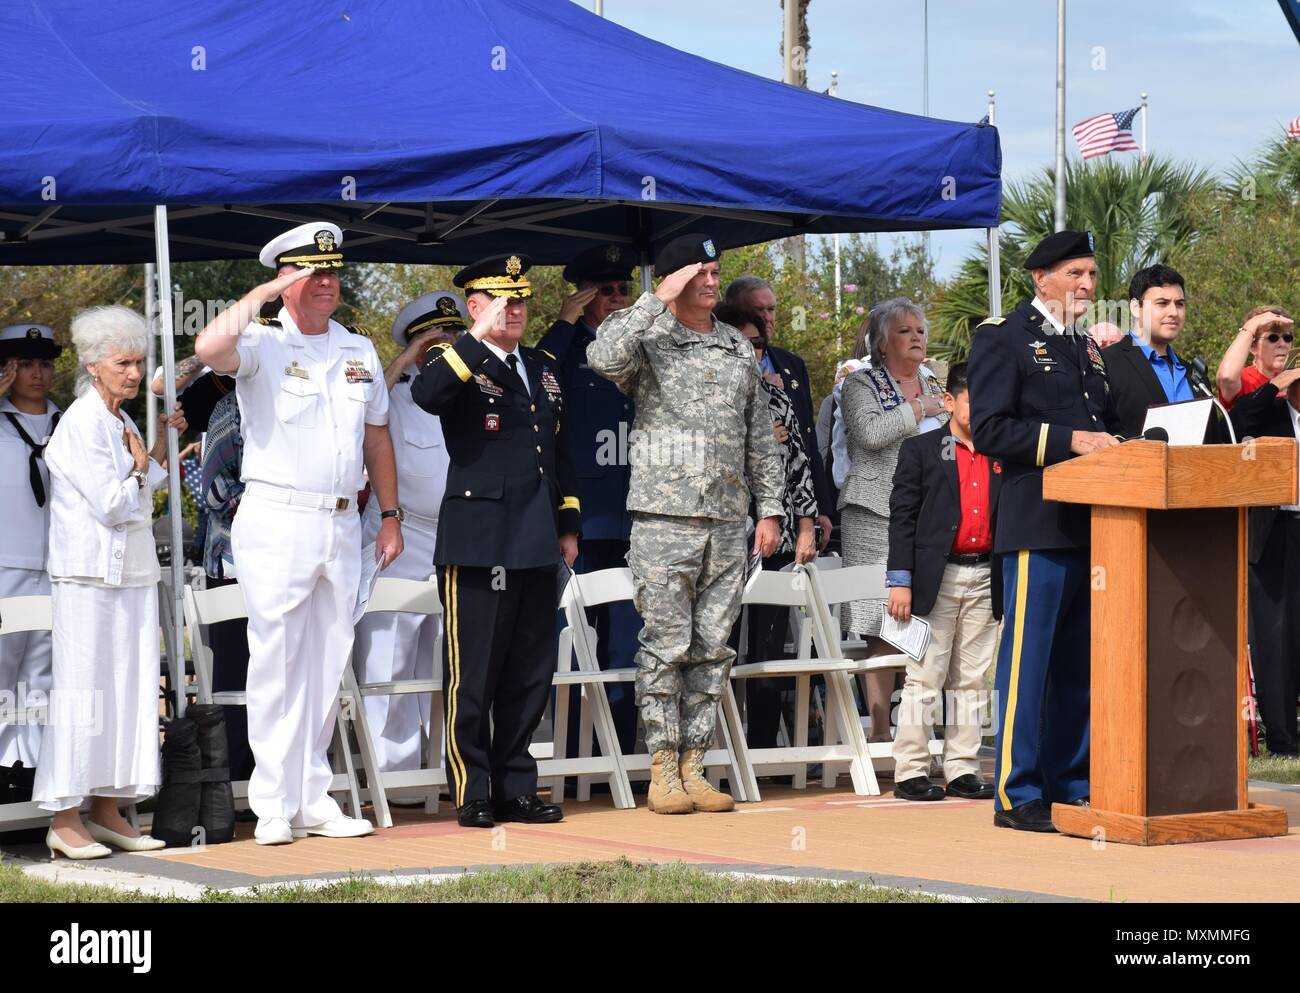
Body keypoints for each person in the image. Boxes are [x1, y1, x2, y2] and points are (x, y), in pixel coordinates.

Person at [194, 221, 403, 846]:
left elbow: (377, 437)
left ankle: (313, 795)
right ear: (286, 281)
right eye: (312, 273)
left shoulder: (356, 350)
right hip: (278, 517)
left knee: (327, 658)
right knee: (277, 659)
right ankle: (272, 801)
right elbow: (207, 349)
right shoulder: (260, 342)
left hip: (341, 519)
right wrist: (261, 293)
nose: (326, 283)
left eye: (333, 272)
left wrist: (389, 514)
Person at [588, 234, 784, 815]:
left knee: (711, 648)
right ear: (673, 278)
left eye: (715, 270)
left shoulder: (732, 345)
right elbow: (603, 358)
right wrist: (654, 298)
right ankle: (661, 768)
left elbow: (758, 434)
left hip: (727, 517)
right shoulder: (647, 335)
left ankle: (694, 765)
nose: (710, 279)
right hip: (664, 515)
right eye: (698, 271)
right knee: (665, 645)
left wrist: (769, 508)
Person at [411, 254, 580, 829]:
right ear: (475, 307)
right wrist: (475, 338)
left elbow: (558, 451)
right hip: (478, 539)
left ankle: (516, 784)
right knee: (473, 672)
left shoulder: (542, 366)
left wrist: (568, 524)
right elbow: (427, 395)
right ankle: (473, 787)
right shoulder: (454, 361)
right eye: (502, 301)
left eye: (522, 299)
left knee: (529, 671)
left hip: (536, 537)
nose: (516, 309)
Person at [968, 229, 1118, 832]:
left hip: (1093, 525)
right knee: (1028, 664)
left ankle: (1070, 783)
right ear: (1041, 278)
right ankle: (1017, 791)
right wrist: (1069, 441)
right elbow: (991, 430)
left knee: (1078, 665)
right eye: (1075, 274)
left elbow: (1102, 421)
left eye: (1090, 274)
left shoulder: (1088, 349)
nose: (1086, 285)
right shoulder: (1004, 339)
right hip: (1036, 523)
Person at [35, 306, 183, 858]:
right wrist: (143, 469)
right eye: (124, 363)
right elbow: (117, 503)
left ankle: (107, 806)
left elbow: (147, 482)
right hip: (87, 575)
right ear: (94, 366)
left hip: (132, 574)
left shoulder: (121, 421)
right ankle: (64, 814)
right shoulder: (80, 421)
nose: (135, 374)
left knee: (128, 691)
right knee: (83, 694)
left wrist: (158, 450)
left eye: (139, 362)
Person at [353, 291, 462, 782]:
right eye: (435, 338)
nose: (447, 344)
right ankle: (390, 775)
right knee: (388, 660)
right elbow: (360, 417)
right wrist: (402, 360)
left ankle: (441, 769)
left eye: (456, 334)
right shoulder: (394, 392)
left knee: (444, 663)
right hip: (399, 536)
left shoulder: (469, 389)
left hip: (453, 540)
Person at [537, 244, 640, 753]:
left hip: (634, 521)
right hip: (579, 523)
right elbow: (534, 377)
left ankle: (616, 757)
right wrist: (564, 323)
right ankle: (571, 756)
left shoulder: (645, 348)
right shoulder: (565, 349)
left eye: (624, 289)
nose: (618, 298)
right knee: (571, 645)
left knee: (626, 646)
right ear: (582, 296)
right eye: (606, 291)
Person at [885, 362, 1000, 801]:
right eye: (974, 399)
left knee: (971, 679)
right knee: (924, 677)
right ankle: (910, 771)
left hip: (987, 574)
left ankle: (962, 768)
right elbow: (903, 518)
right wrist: (900, 580)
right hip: (935, 577)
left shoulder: (1001, 451)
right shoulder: (921, 450)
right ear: (950, 401)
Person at [838, 299, 947, 743]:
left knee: (926, 624)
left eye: (920, 329)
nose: (917, 337)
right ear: (882, 343)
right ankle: (882, 734)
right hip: (873, 514)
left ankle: (920, 733)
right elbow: (871, 434)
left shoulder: (933, 382)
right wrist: (922, 409)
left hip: (928, 516)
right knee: (881, 626)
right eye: (905, 331)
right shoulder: (859, 384)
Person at [714, 302, 817, 749]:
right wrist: (751, 443)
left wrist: (808, 525)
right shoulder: (704, 399)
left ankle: (760, 749)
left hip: (776, 538)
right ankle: (717, 753)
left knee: (770, 650)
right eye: (742, 343)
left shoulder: (776, 395)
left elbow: (800, 464)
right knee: (720, 647)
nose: (753, 351)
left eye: (758, 343)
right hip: (721, 540)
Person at [725, 275, 834, 554]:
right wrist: (761, 438)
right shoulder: (716, 373)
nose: (767, 317)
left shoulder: (791, 364)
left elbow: (805, 441)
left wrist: (818, 508)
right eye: (757, 311)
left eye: (771, 309)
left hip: (789, 513)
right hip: (736, 517)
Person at [0, 324, 62, 800]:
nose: (36, 373)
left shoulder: (69, 422)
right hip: (6, 563)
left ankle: (30, 769)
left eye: (43, 363)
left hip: (56, 567)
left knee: (41, 676)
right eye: (24, 364)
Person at [1228, 366, 1300, 757]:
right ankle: (1283, 737)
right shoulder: (1271, 413)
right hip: (1274, 531)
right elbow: (1237, 420)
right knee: (1275, 637)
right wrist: (1276, 384)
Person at [1102, 265, 1193, 438]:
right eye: (1162, 303)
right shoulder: (1106, 364)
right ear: (1136, 308)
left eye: (1179, 304)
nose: (1173, 312)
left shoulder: (1194, 374)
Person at [1216, 306, 1296, 410]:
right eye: (1273, 338)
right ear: (1253, 347)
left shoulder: (1296, 381)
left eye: (1287, 338)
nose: (1282, 344)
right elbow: (1227, 377)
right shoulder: (1245, 379)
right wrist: (1252, 325)